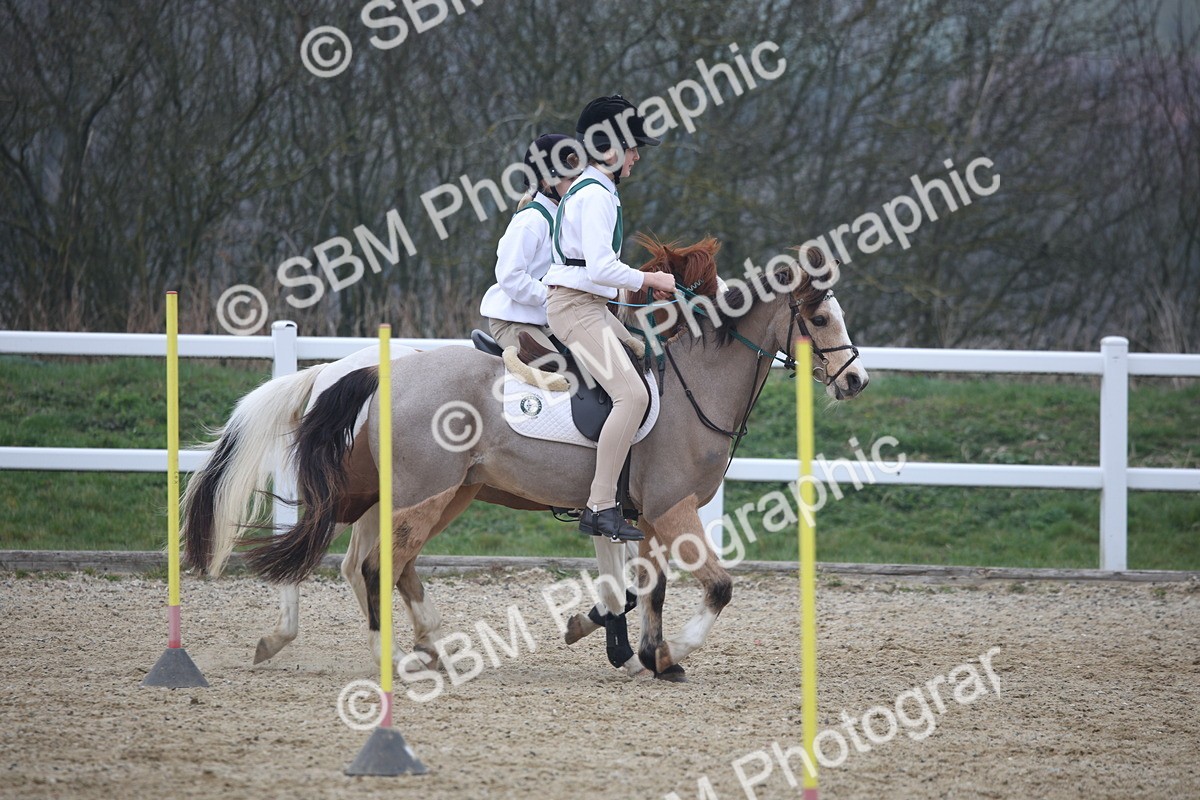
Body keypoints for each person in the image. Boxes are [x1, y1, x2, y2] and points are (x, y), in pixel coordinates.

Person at [542, 96, 675, 542]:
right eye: (634, 147)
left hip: (590, 305)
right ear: (611, 148)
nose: (637, 155)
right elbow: (600, 269)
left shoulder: (595, 189)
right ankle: (600, 505)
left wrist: (639, 284)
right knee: (633, 397)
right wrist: (649, 276)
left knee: (645, 352)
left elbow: (593, 269)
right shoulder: (596, 193)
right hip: (577, 309)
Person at [479, 133, 576, 351]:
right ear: (547, 181)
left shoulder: (562, 219)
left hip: (544, 321)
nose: (577, 186)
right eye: (571, 179)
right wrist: (553, 297)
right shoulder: (531, 221)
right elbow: (510, 276)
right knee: (554, 374)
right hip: (513, 320)